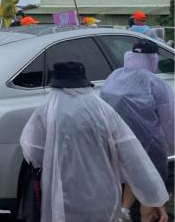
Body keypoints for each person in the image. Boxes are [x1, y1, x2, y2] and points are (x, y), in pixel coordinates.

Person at [20, 61, 169, 222]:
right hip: (103, 197)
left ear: (56, 85)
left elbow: (33, 153)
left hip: (63, 197)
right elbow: (133, 156)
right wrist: (154, 198)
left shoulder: (45, 112)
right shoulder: (103, 111)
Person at [101, 40, 174, 222]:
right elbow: (169, 119)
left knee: (132, 175)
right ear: (153, 59)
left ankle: (124, 212)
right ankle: (146, 217)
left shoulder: (115, 76)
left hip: (117, 140)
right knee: (150, 184)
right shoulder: (155, 82)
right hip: (149, 145)